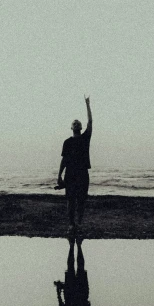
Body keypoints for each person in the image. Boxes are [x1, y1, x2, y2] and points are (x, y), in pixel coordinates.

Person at [57, 95, 92, 228]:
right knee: (71, 201)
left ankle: (79, 223)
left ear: (81, 127)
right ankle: (72, 225)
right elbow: (64, 160)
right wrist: (59, 175)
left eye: (78, 123)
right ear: (71, 127)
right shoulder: (67, 142)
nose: (76, 123)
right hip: (70, 174)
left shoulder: (85, 138)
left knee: (81, 200)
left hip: (83, 173)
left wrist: (87, 104)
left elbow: (90, 121)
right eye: (74, 123)